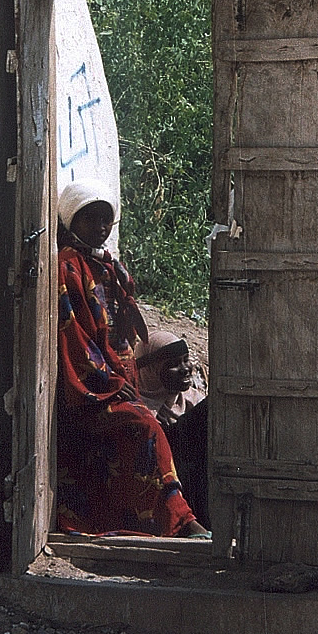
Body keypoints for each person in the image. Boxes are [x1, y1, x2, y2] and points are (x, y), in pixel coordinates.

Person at [56, 178, 210, 538]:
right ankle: (180, 521)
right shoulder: (68, 268)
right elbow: (75, 335)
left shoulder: (109, 267)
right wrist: (107, 383)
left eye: (105, 219)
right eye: (89, 218)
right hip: (91, 388)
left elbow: (121, 337)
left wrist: (125, 379)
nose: (100, 227)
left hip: (118, 382)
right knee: (144, 425)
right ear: (70, 220)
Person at [135, 331, 210, 528]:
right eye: (173, 364)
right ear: (150, 370)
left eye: (186, 360)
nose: (185, 369)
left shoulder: (194, 401)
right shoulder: (140, 412)